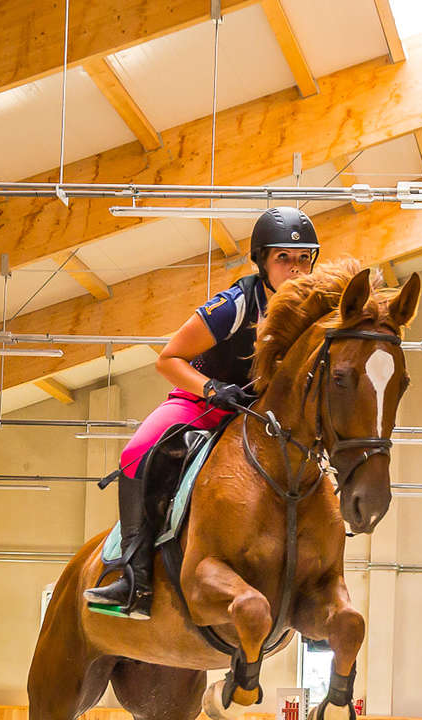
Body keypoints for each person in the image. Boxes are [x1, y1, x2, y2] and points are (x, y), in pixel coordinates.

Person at [84, 206, 320, 618]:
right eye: (284, 258)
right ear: (263, 260)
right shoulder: (235, 305)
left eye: (303, 259)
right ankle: (134, 579)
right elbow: (168, 358)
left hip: (266, 421)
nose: (296, 269)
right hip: (202, 404)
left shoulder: (313, 312)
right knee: (135, 453)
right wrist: (211, 388)